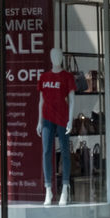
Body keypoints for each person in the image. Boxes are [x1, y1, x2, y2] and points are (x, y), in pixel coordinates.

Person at [36, 48, 75, 205]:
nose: (56, 58)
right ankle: (48, 189)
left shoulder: (67, 77)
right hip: (47, 118)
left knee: (65, 151)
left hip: (63, 118)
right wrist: (39, 121)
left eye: (59, 55)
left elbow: (72, 100)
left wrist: (71, 120)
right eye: (53, 55)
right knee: (46, 151)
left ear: (62, 58)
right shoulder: (44, 77)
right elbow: (41, 100)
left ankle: (65, 187)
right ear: (50, 58)